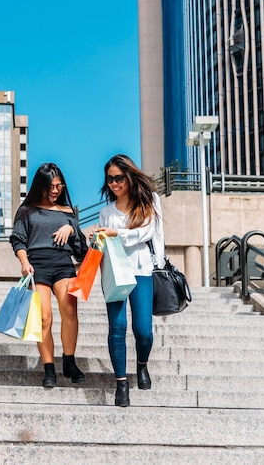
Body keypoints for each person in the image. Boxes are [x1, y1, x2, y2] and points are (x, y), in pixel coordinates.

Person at [93, 154, 165, 407]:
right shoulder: (106, 212)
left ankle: (142, 365)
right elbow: (104, 246)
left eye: (119, 178)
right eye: (110, 179)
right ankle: (121, 384)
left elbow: (146, 232)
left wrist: (116, 233)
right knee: (117, 327)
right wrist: (98, 238)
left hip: (142, 270)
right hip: (114, 274)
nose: (114, 184)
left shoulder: (148, 201)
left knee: (143, 331)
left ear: (129, 176)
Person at [10, 162, 88, 388]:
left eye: (59, 186)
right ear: (41, 185)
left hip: (63, 264)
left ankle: (69, 361)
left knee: (70, 310)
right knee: (44, 317)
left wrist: (71, 229)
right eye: (51, 186)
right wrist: (24, 262)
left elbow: (81, 248)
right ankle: (49, 367)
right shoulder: (27, 210)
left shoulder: (67, 212)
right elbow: (18, 239)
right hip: (37, 266)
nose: (56, 190)